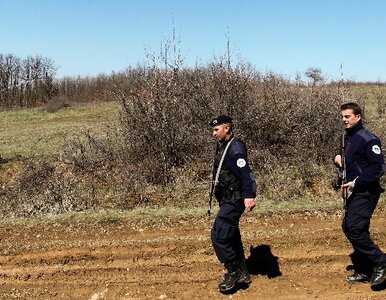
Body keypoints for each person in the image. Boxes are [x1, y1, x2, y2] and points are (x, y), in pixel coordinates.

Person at [334, 102, 386, 286]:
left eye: (347, 116)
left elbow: (378, 168)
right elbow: (352, 161)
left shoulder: (368, 139)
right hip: (352, 192)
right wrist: (338, 160)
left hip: (366, 191)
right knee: (350, 228)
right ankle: (365, 269)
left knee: (354, 228)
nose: (344, 120)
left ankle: (381, 262)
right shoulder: (348, 137)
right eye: (342, 116)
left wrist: (356, 182)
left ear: (358, 117)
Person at [209, 115, 257, 292]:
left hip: (234, 200)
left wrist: (249, 195)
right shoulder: (224, 146)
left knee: (219, 236)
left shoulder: (235, 147)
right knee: (231, 234)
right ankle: (243, 271)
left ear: (227, 128)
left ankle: (233, 271)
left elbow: (246, 173)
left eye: (216, 130)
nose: (214, 133)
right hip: (227, 199)